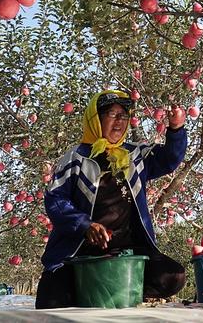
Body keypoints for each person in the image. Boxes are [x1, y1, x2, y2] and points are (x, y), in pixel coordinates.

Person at [35, 89, 188, 309]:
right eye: (112, 115)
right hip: (78, 254)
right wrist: (85, 226)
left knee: (173, 276)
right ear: (95, 118)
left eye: (124, 116)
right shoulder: (76, 157)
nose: (119, 122)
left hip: (127, 253)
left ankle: (116, 288)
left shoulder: (134, 155)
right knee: (49, 302)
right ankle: (88, 288)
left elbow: (169, 159)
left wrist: (176, 129)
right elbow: (56, 200)